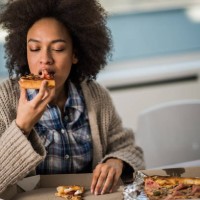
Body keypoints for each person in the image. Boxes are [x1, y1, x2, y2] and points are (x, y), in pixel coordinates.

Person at [0, 0, 145, 196]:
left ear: (75, 54)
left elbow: (129, 150)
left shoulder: (96, 97)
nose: (45, 59)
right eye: (34, 49)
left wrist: (116, 161)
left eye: (58, 48)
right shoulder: (4, 98)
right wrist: (22, 126)